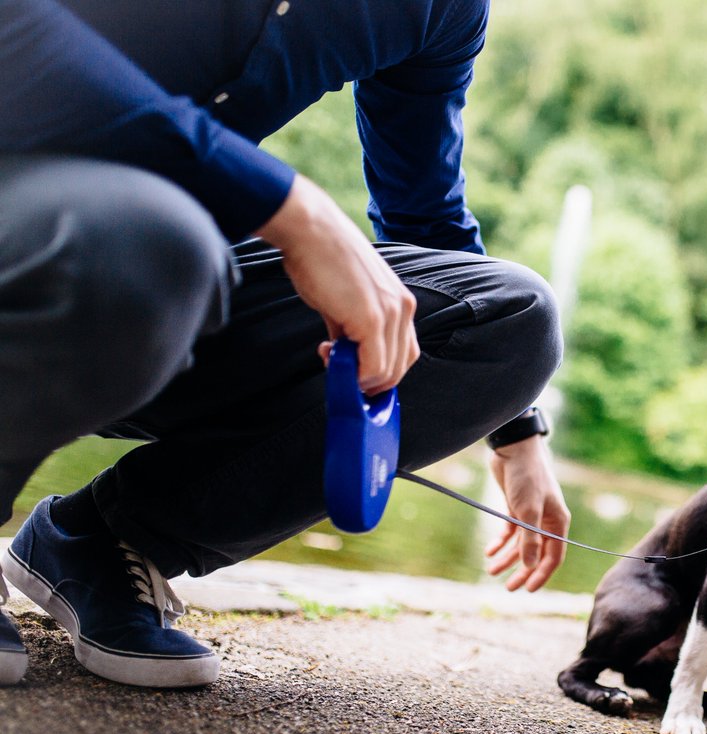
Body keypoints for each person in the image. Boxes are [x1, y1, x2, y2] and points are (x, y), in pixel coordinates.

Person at [0, 0, 572, 689]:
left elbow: (423, 210)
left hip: (163, 284)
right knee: (156, 241)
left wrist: (517, 433)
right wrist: (290, 211)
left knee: (510, 319)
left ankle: (106, 538)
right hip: (54, 232)